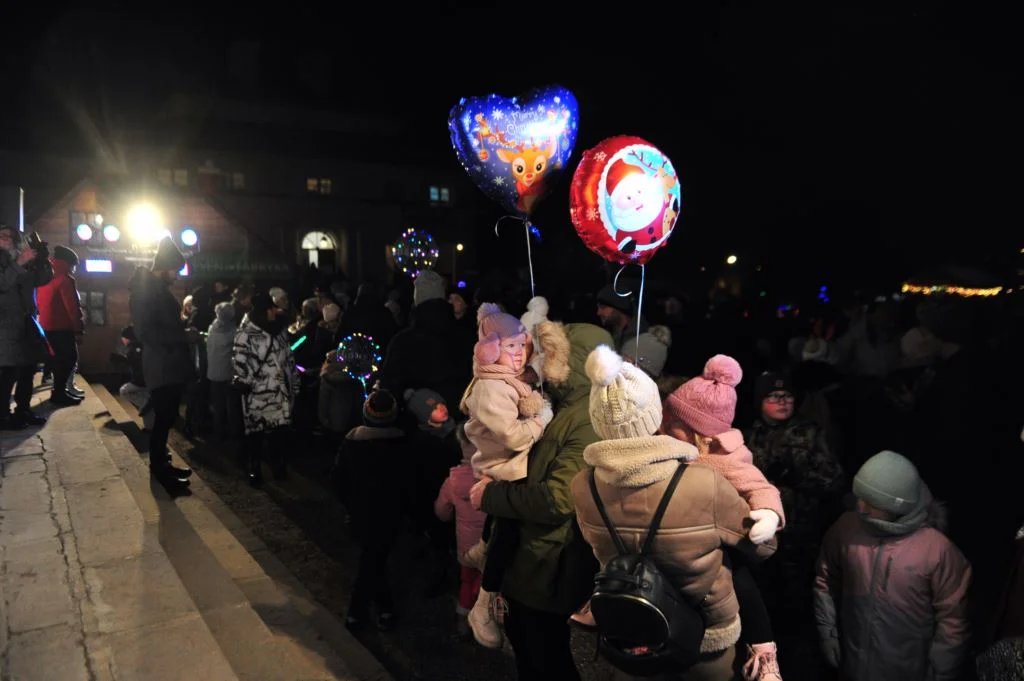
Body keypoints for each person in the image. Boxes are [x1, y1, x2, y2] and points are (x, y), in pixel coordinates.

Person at [571, 344, 778, 681]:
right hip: (702, 626)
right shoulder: (703, 482)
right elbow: (763, 548)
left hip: (632, 620)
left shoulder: (583, 485)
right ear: (656, 415)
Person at [471, 321, 601, 681]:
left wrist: (492, 495)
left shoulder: (584, 418)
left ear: (571, 362)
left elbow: (559, 499)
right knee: (533, 650)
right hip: (534, 557)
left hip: (546, 563)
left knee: (543, 653)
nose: (539, 361)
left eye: (549, 355)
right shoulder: (565, 404)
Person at [661, 355, 786, 678]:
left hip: (713, 536)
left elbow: (761, 486)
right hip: (677, 527)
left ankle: (764, 650)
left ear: (698, 432)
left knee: (737, 575)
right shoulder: (668, 441)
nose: (665, 422)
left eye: (674, 420)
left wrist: (769, 515)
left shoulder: (726, 458)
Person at [814, 450, 971, 681]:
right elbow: (825, 582)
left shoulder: (937, 551)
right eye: (860, 498)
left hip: (908, 670)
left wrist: (941, 672)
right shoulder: (847, 529)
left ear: (897, 507)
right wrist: (828, 633)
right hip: (853, 666)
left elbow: (953, 619)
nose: (861, 507)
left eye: (872, 503)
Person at [460, 303, 553, 648]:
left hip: (512, 468)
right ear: (491, 349)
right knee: (508, 534)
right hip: (504, 471)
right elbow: (514, 435)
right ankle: (482, 605)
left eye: (520, 345)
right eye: (509, 347)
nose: (517, 354)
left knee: (503, 531)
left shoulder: (507, 379)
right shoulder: (490, 388)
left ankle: (483, 548)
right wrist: (542, 418)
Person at [331, 388, 407, 631]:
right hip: (391, 514)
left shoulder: (352, 443)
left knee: (372, 559)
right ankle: (379, 610)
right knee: (375, 559)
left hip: (361, 512)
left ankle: (361, 611)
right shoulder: (402, 444)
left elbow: (338, 480)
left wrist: (349, 504)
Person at [128, 237, 195, 487]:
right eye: (175, 271)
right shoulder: (146, 293)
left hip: (168, 364)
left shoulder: (155, 291)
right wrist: (183, 335)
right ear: (164, 267)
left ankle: (163, 464)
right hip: (162, 365)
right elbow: (147, 332)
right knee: (162, 419)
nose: (176, 277)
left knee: (166, 418)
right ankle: (159, 470)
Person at [232, 291, 299, 485]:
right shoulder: (246, 333)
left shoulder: (280, 330)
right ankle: (255, 467)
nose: (275, 311)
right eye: (271, 308)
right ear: (265, 310)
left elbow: (289, 359)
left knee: (279, 431)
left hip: (279, 391)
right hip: (257, 392)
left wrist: (294, 383)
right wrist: (247, 380)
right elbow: (239, 362)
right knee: (256, 432)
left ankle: (277, 465)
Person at [434, 422, 487, 627]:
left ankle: (462, 620)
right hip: (489, 543)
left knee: (466, 579)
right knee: (485, 580)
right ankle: (483, 618)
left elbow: (441, 511)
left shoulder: (453, 482)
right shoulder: (494, 478)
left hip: (466, 547)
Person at [36, 244, 84, 406]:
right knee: (70, 359)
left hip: (45, 325)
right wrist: (78, 329)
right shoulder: (65, 279)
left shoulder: (46, 275)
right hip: (62, 327)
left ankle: (60, 392)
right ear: (68, 263)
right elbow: (72, 307)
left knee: (57, 360)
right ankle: (59, 393)